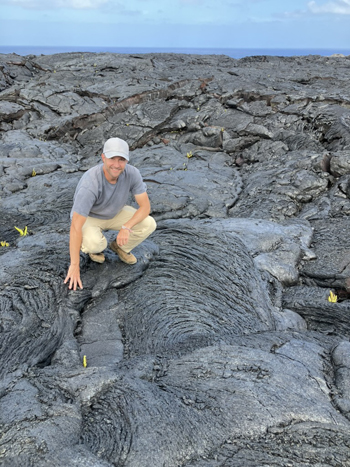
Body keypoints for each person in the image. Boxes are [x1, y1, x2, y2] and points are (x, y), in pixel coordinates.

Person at [64, 137, 156, 291]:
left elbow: (145, 207)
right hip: (90, 217)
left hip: (115, 212)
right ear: (103, 157)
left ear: (127, 160)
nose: (117, 164)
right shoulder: (90, 184)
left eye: (121, 159)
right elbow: (75, 226)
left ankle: (120, 248)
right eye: (112, 158)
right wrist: (74, 265)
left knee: (149, 223)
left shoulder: (132, 173)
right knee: (96, 244)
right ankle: (91, 248)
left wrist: (126, 227)